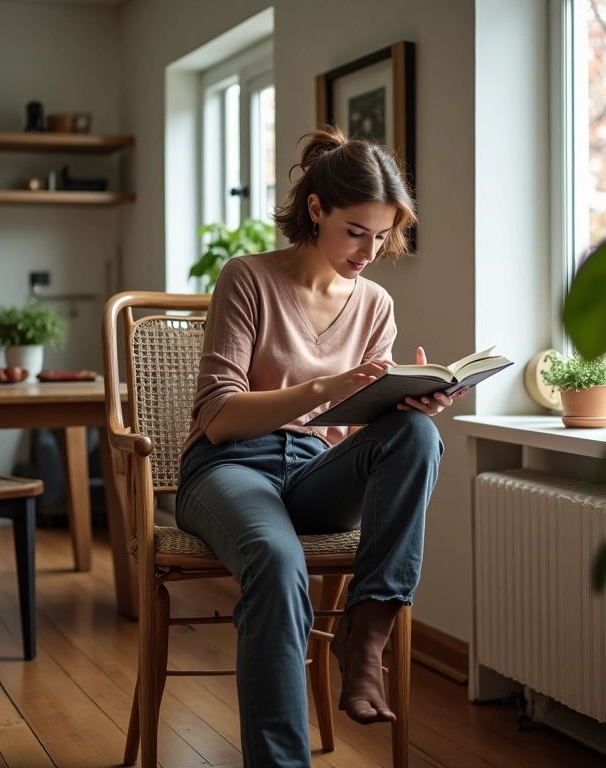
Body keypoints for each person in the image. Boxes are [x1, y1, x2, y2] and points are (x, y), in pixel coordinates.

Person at [176, 125, 464, 768]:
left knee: (418, 431)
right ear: (316, 210)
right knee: (278, 567)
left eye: (382, 234)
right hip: (228, 470)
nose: (369, 249)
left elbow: (357, 428)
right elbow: (219, 418)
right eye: (355, 230)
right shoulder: (246, 278)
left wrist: (405, 401)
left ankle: (366, 635)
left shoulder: (376, 304)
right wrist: (326, 385)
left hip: (314, 475)